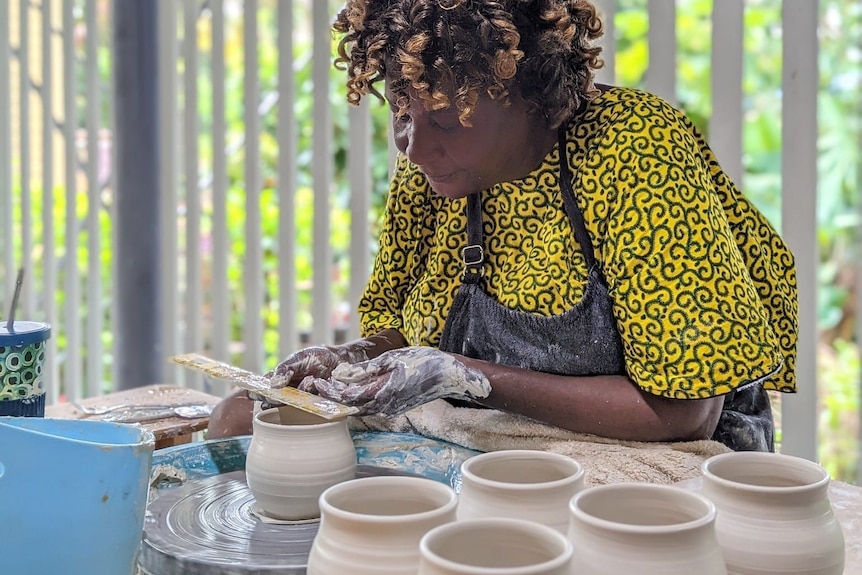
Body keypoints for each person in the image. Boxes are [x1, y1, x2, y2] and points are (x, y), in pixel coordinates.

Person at [208, 0, 797, 452]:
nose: (414, 146)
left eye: (444, 115)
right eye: (401, 109)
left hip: (661, 450)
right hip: (504, 433)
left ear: (528, 91)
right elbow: (406, 331)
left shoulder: (635, 149)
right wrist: (352, 358)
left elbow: (682, 414)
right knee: (237, 417)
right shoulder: (438, 168)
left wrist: (467, 376)